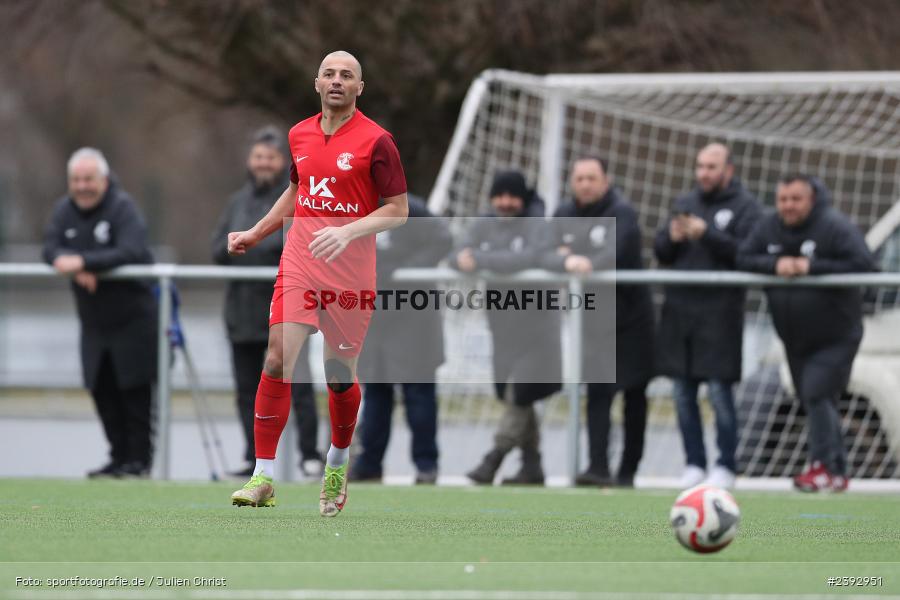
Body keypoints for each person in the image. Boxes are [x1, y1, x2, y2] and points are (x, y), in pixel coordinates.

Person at [227, 51, 408, 516]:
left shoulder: (377, 141)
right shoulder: (299, 134)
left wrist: (348, 231)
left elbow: (398, 210)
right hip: (301, 263)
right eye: (329, 73)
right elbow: (297, 189)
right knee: (276, 358)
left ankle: (336, 461)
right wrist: (256, 231)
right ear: (316, 83)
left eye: (347, 75)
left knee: (338, 377)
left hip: (350, 275)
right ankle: (263, 473)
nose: (336, 81)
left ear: (359, 88)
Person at [737, 175, 874, 493]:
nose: (788, 205)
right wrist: (775, 264)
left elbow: (864, 264)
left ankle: (823, 466)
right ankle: (836, 471)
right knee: (813, 399)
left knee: (816, 393)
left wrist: (811, 268)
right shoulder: (769, 226)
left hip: (836, 335)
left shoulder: (834, 226)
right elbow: (743, 257)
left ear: (811, 200)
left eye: (795, 199)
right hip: (795, 338)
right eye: (783, 199)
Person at [212, 126, 324, 479]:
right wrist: (240, 245)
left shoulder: (297, 199)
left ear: (283, 163)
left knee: (298, 382)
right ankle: (254, 457)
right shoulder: (236, 202)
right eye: (258, 157)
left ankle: (309, 455)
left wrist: (255, 242)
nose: (263, 163)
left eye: (271, 158)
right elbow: (218, 250)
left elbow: (297, 248)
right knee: (247, 389)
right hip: (242, 311)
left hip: (286, 305)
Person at [42, 147, 157, 478]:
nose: (82, 186)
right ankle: (117, 458)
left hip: (133, 321)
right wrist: (73, 265)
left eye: (88, 179)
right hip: (94, 325)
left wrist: (85, 261)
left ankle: (139, 462)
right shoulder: (64, 210)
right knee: (101, 390)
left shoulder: (123, 208)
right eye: (76, 180)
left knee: (134, 393)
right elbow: (49, 248)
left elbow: (132, 249)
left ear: (103, 180)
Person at [541, 157, 655, 487]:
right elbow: (544, 252)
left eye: (592, 178)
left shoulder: (622, 211)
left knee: (634, 395)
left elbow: (615, 252)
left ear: (605, 181)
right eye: (580, 178)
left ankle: (628, 472)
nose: (586, 184)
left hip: (632, 320)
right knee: (599, 394)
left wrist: (583, 258)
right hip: (592, 320)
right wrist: (566, 258)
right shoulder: (563, 214)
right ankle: (598, 468)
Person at [654, 143, 761, 490]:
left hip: (720, 316)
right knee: (682, 395)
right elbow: (661, 252)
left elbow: (748, 255)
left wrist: (707, 235)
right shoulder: (685, 204)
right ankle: (694, 463)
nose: (704, 173)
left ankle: (727, 464)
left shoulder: (746, 208)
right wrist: (670, 238)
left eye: (711, 167)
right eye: (700, 166)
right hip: (680, 314)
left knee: (719, 394)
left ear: (728, 170)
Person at [451, 170, 562, 486]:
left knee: (520, 393)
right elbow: (455, 255)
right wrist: (463, 260)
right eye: (500, 196)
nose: (505, 202)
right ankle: (532, 465)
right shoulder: (484, 223)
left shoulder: (538, 225)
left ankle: (493, 459)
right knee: (514, 396)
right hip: (502, 326)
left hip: (538, 326)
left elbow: (531, 257)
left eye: (512, 196)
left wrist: (482, 259)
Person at [354, 195, 452, 484]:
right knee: (376, 397)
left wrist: (401, 270)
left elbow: (443, 240)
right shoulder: (357, 208)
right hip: (375, 318)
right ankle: (369, 464)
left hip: (414, 319)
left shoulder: (413, 210)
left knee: (419, 396)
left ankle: (426, 465)